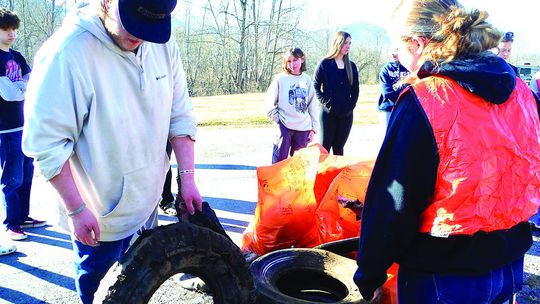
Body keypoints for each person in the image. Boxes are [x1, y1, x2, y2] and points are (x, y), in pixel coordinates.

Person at [354, 1, 540, 303]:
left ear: (417, 44)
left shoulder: (427, 100)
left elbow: (393, 202)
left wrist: (370, 273)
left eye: (396, 47)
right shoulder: (523, 93)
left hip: (443, 275)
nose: (396, 56)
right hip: (508, 265)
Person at [21, 0, 202, 302]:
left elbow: (179, 114)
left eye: (152, 26)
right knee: (97, 285)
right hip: (99, 215)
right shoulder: (67, 53)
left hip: (147, 202)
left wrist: (188, 179)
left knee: (139, 282)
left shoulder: (161, 41)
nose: (141, 35)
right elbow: (46, 144)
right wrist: (76, 209)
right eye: (133, 22)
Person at [0, 8, 46, 242]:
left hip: (25, 126)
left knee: (27, 175)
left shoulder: (17, 56)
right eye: (6, 29)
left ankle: (24, 216)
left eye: (14, 28)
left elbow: (33, 81)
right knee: (12, 178)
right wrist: (22, 88)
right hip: (6, 130)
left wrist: (21, 87)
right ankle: (11, 223)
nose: (12, 33)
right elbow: (9, 95)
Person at [266, 47, 319, 163]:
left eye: (295, 60)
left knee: (299, 165)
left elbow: (312, 104)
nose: (292, 64)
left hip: (303, 127)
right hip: (284, 126)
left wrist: (313, 129)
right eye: (289, 61)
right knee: (279, 162)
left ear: (302, 59)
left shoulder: (306, 80)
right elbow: (269, 103)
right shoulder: (281, 79)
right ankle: (278, 182)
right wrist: (278, 119)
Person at [314, 31, 359, 155]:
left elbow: (355, 89)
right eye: (345, 43)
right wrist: (327, 103)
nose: (348, 46)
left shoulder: (352, 66)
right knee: (325, 149)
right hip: (328, 114)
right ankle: (323, 174)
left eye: (350, 43)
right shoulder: (324, 64)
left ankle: (337, 175)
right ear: (338, 43)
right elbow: (316, 87)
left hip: (346, 115)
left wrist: (351, 106)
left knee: (339, 149)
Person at [377, 48, 410, 125]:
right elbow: (387, 93)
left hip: (407, 109)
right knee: (387, 135)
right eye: (392, 51)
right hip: (388, 109)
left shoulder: (411, 69)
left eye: (396, 50)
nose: (393, 54)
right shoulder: (386, 69)